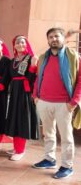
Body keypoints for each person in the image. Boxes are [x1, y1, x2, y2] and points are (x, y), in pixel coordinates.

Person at [32, 27, 81, 179]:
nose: (54, 39)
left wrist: (74, 101)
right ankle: (49, 159)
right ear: (48, 40)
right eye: (51, 37)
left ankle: (67, 166)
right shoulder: (43, 57)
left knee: (66, 137)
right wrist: (35, 96)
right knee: (48, 133)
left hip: (64, 104)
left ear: (63, 38)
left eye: (57, 36)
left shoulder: (74, 57)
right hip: (44, 101)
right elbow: (38, 77)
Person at [4, 35, 39, 161]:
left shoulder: (31, 58)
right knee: (14, 118)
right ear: (14, 46)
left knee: (21, 120)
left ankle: (20, 150)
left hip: (24, 93)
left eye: (22, 42)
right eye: (17, 43)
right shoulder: (13, 60)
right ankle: (16, 147)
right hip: (14, 92)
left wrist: (33, 66)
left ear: (26, 44)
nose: (20, 45)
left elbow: (32, 79)